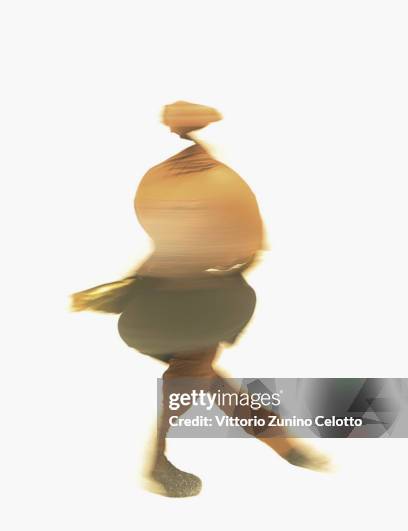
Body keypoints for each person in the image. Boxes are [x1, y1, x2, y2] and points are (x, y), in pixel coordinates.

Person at [71, 100, 330, 498]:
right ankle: (157, 463)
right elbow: (236, 244)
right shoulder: (202, 179)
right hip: (191, 304)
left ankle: (285, 448)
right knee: (194, 374)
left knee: (207, 379)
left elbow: (177, 242)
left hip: (178, 301)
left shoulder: (168, 177)